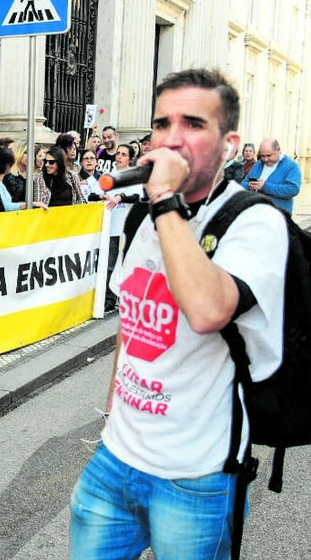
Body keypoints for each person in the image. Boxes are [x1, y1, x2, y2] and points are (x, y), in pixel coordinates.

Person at [70, 68, 288, 560]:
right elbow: (131, 325)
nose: (171, 139)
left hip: (196, 478)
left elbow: (208, 310)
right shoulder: (148, 217)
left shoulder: (254, 222)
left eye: (192, 124)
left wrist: (165, 200)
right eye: (162, 124)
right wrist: (110, 421)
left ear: (229, 143)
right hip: (115, 461)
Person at [99, 144, 142, 311]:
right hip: (108, 224)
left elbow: (138, 196)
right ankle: (108, 298)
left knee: (121, 263)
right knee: (108, 263)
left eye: (123, 154)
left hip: (124, 226)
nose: (119, 156)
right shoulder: (107, 176)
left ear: (129, 158)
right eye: (118, 153)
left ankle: (119, 297)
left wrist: (121, 196)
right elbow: (95, 193)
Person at [240, 138, 302, 214]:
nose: (265, 159)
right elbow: (244, 182)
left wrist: (265, 186)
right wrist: (249, 185)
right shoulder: (259, 164)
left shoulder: (291, 166)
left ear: (278, 151)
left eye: (269, 155)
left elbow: (292, 189)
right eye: (262, 156)